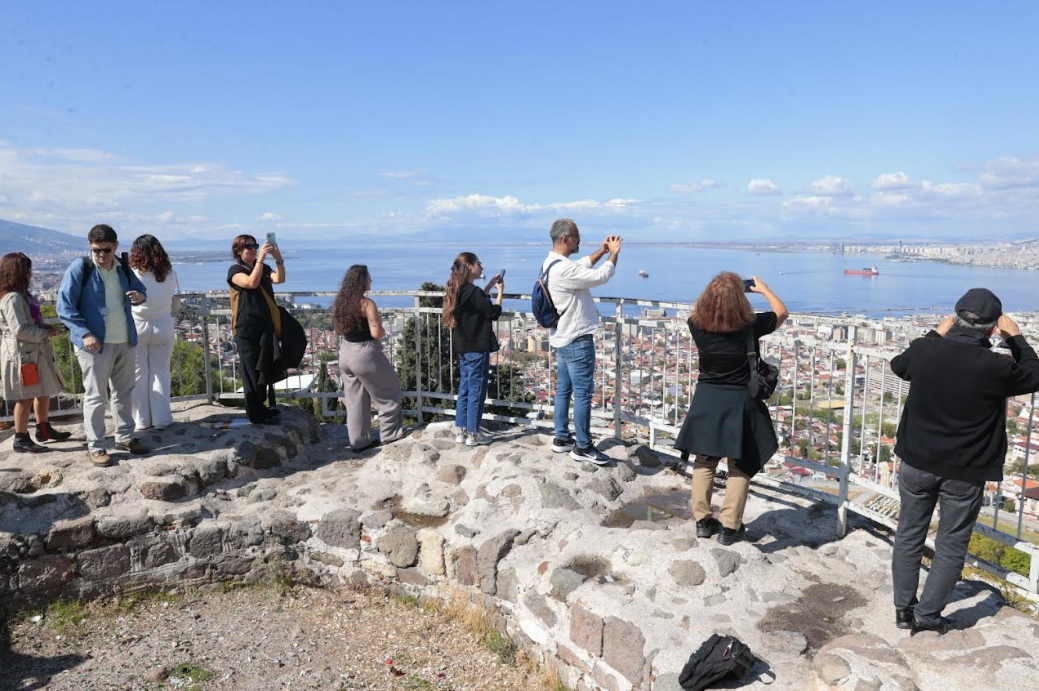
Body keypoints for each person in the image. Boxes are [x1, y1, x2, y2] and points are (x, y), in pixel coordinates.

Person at [889, 289, 1039, 635]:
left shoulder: (924, 350)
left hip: (916, 460)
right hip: (965, 469)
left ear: (955, 318)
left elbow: (899, 365)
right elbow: (1034, 374)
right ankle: (927, 618)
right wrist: (1015, 337)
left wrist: (936, 332)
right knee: (951, 544)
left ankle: (903, 610)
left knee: (909, 534)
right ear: (992, 328)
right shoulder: (997, 366)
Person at [674, 273, 788, 545]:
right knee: (740, 464)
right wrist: (763, 289)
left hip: (707, 398)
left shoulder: (695, 324)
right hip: (740, 400)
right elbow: (782, 312)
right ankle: (729, 527)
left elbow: (702, 312)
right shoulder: (751, 325)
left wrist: (721, 295)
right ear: (739, 299)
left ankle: (703, 522)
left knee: (705, 460)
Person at [56, 224, 149, 466]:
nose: (101, 255)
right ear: (90, 246)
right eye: (96, 250)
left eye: (106, 250)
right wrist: (84, 333)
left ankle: (125, 436)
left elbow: (140, 291)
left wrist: (140, 297)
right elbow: (64, 307)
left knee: (124, 393)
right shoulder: (81, 268)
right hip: (94, 345)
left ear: (115, 246)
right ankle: (96, 446)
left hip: (125, 340)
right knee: (96, 396)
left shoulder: (122, 268)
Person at [543, 218, 621, 465]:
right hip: (577, 338)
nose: (580, 239)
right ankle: (583, 446)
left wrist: (602, 251)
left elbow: (581, 265)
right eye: (577, 236)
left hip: (562, 337)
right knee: (583, 394)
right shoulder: (563, 269)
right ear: (565, 239)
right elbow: (600, 276)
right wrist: (614, 254)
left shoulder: (551, 263)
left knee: (563, 390)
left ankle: (562, 438)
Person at [0, 252, 73, 453]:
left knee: (42, 390)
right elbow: (19, 329)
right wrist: (46, 332)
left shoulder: (19, 295)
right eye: (27, 269)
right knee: (24, 397)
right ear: (17, 272)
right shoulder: (13, 298)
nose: (30, 273)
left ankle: (43, 429)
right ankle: (21, 438)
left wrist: (44, 329)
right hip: (22, 355)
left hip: (31, 352)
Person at [332, 264, 404, 451]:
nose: (371, 280)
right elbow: (376, 333)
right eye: (368, 277)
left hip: (346, 353)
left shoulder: (341, 302)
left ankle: (359, 442)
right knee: (390, 390)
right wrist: (382, 330)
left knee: (355, 400)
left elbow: (339, 330)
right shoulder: (367, 304)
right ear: (361, 281)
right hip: (364, 353)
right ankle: (389, 434)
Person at [443, 252, 504, 446]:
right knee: (477, 390)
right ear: (469, 266)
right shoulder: (473, 292)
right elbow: (492, 313)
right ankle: (473, 433)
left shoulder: (458, 290)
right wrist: (500, 293)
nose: (482, 267)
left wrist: (488, 287)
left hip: (463, 346)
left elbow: (476, 303)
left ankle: (461, 431)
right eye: (479, 263)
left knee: (465, 389)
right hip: (477, 346)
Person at [227, 234, 284, 425]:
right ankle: (255, 414)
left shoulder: (263, 268)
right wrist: (260, 260)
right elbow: (250, 283)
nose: (253, 249)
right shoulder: (235, 271)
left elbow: (280, 279)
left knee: (263, 368)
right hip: (246, 328)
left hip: (264, 326)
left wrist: (278, 258)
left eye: (255, 246)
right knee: (251, 370)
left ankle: (262, 408)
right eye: (248, 247)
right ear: (238, 251)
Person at [129, 235, 179, 430]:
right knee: (161, 372)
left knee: (138, 374)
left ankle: (141, 420)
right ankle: (162, 419)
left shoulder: (132, 273)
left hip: (137, 324)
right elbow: (173, 298)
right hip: (163, 324)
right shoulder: (169, 273)